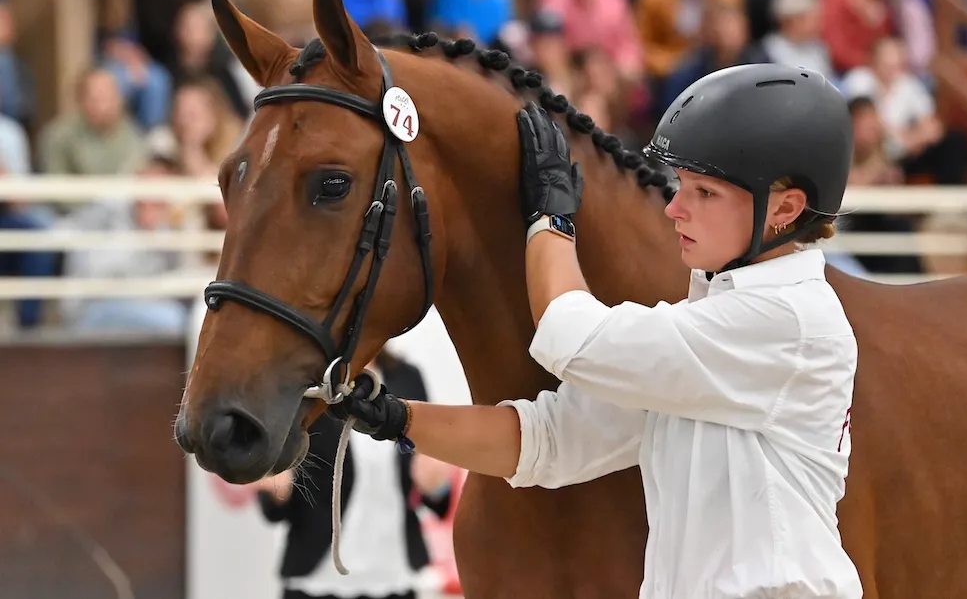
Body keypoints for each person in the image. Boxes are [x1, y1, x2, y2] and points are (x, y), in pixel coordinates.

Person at [329, 64, 863, 598]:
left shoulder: (786, 320)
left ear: (786, 209)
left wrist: (551, 219)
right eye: (681, 186)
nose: (674, 208)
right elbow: (551, 441)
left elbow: (571, 334)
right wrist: (396, 416)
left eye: (704, 193)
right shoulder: (720, 323)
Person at [251, 348, 454, 599]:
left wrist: (436, 486)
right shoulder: (307, 385)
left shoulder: (407, 377)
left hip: (394, 574)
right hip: (318, 576)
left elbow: (438, 499)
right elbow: (274, 510)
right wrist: (278, 489)